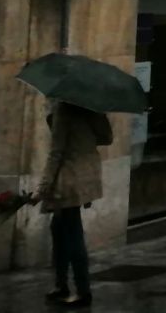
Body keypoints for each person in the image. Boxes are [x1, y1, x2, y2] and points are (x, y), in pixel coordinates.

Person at [29, 101, 109, 309]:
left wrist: (42, 189)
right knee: (59, 228)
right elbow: (106, 138)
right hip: (86, 174)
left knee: (72, 234)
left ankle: (83, 291)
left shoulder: (63, 110)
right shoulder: (92, 107)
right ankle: (61, 285)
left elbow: (56, 153)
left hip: (69, 179)